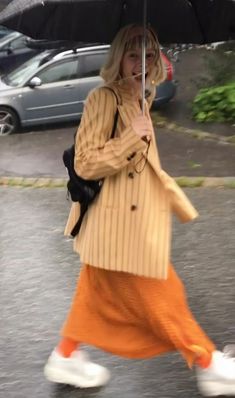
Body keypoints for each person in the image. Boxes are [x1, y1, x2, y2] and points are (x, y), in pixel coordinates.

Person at [44, 24, 235, 396]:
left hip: (122, 223)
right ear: (119, 58)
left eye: (149, 55)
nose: (142, 63)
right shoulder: (103, 99)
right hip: (119, 225)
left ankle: (66, 354)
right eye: (134, 55)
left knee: (93, 294)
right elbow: (85, 164)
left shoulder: (139, 96)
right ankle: (209, 363)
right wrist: (133, 135)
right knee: (164, 294)